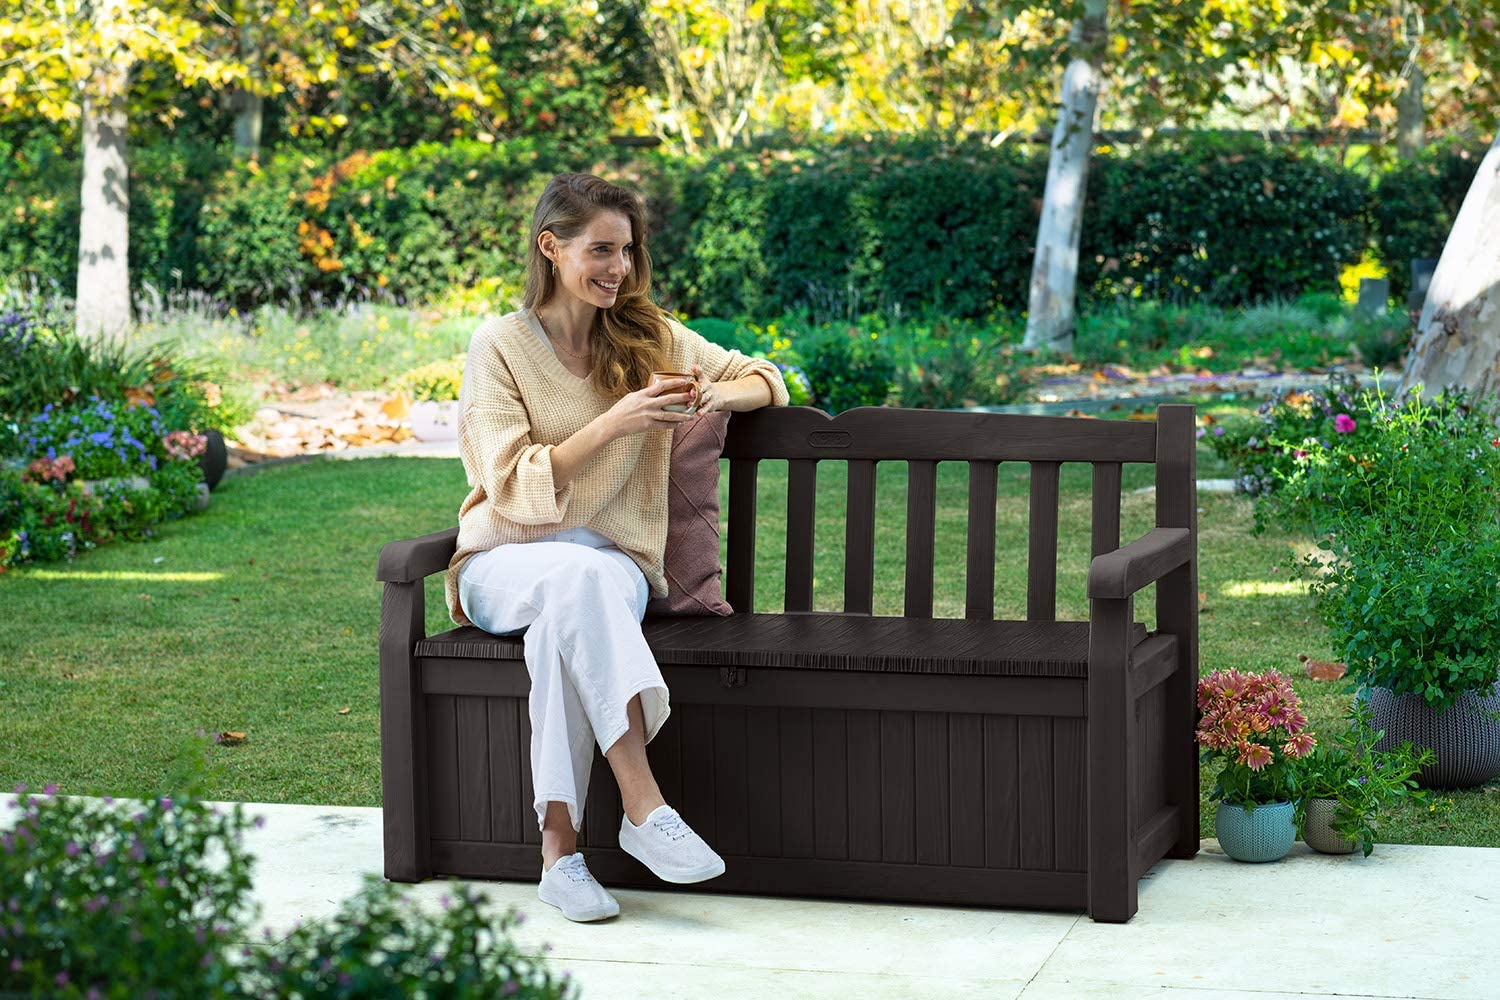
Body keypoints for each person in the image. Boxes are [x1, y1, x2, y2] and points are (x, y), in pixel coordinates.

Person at [446, 172, 789, 922]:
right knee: (570, 589)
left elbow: (765, 378)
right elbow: (509, 484)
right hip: (503, 564)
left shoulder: (648, 335)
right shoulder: (498, 345)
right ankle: (642, 805)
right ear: (551, 247)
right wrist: (615, 422)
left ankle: (560, 858)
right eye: (601, 250)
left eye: (627, 251)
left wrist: (714, 396)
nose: (619, 268)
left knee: (568, 614)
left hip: (612, 569)